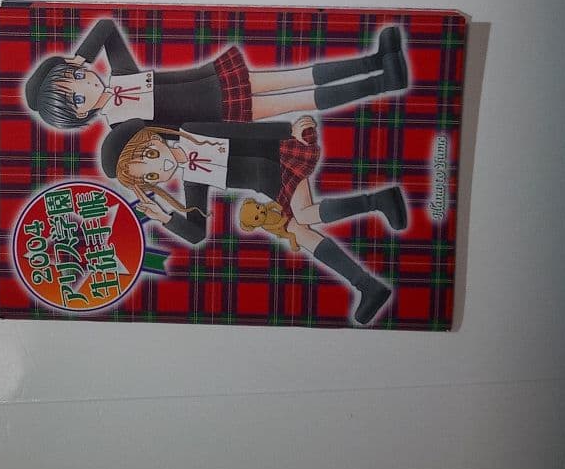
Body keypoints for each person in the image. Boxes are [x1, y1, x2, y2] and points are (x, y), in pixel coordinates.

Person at [100, 116, 407, 325]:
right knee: (299, 230)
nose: (161, 169)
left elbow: (241, 131)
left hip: (278, 155)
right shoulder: (192, 181)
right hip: (271, 183)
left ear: (155, 138)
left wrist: (288, 129)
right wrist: (165, 217)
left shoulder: (193, 131)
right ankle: (368, 285)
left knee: (302, 215)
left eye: (151, 154)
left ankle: (378, 201)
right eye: (151, 176)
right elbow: (196, 234)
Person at [24, 17, 408, 130]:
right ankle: (383, 81)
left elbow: (107, 27)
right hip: (220, 113)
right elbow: (168, 137)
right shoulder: (119, 125)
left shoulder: (121, 75)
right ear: (79, 114)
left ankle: (376, 60)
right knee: (299, 100)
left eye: (77, 77)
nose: (86, 82)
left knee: (297, 76)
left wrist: (79, 58)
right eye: (77, 96)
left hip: (217, 81)